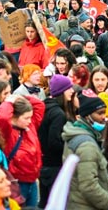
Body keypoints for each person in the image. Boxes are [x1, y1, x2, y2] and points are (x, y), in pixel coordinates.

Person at [61, 89, 108, 210]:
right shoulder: (86, 145)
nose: (104, 117)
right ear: (87, 115)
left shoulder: (75, 133)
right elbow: (89, 186)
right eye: (100, 113)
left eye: (105, 113)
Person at [0, 94, 45, 208]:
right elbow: (2, 117)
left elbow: (39, 105)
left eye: (30, 117)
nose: (30, 121)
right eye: (26, 118)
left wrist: (20, 96)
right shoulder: (6, 132)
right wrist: (8, 102)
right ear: (13, 117)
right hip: (17, 182)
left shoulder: (29, 126)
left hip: (32, 180)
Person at [37, 74, 75, 208]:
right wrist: (70, 147)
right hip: (55, 166)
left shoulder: (44, 107)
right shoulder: (58, 114)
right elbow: (54, 142)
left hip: (44, 164)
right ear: (61, 91)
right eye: (69, 88)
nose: (72, 91)